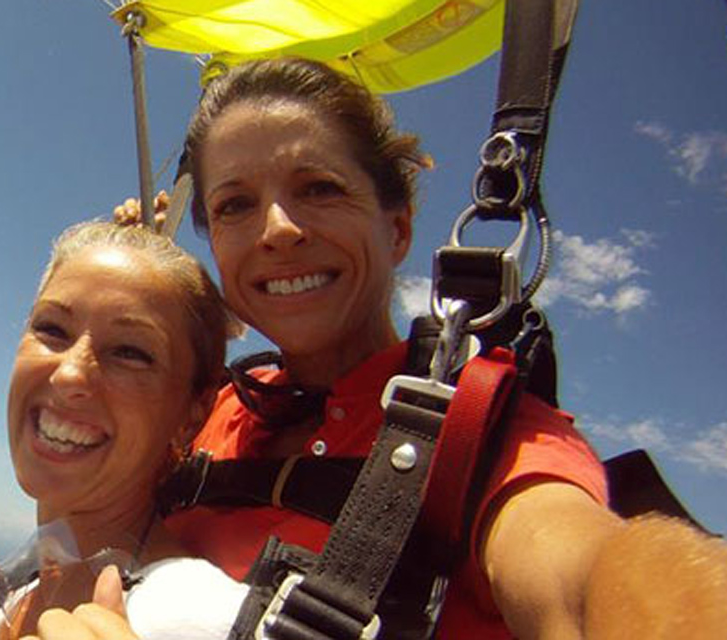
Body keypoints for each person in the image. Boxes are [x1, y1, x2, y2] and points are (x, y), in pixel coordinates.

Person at [97, 57, 726, 640]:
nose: (279, 230)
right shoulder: (211, 411)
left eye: (318, 188)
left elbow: (580, 577)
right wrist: (134, 299)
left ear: (397, 229)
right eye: (236, 205)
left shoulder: (479, 437)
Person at [0, 220, 247, 640]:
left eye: (130, 352)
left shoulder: (197, 616)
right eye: (51, 329)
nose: (69, 375)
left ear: (193, 414)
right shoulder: (21, 594)